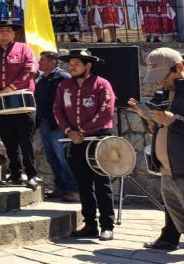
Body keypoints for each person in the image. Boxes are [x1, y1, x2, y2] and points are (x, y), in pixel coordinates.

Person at [53, 49, 116, 240]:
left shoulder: (102, 85)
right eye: (70, 64)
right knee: (83, 184)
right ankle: (90, 224)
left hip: (97, 139)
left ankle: (107, 225)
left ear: (88, 66)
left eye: (76, 64)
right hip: (74, 140)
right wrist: (69, 131)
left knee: (102, 183)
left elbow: (106, 111)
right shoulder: (64, 86)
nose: (71, 67)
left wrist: (83, 131)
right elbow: (58, 110)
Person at [127, 48, 184, 249]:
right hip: (168, 168)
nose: (160, 82)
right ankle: (169, 239)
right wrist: (147, 116)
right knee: (173, 211)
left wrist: (174, 121)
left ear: (179, 68)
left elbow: (174, 123)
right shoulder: (164, 93)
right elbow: (160, 127)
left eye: (163, 76)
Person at [0, 20, 39, 189]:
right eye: (1, 31)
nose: (4, 34)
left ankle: (31, 174)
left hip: (21, 99)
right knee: (8, 140)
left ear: (14, 34)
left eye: (7, 31)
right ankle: (15, 173)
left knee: (26, 140)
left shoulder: (24, 49)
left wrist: (11, 87)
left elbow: (30, 69)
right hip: (0, 101)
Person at [35, 51, 79, 202]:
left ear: (53, 62)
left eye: (42, 60)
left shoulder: (63, 77)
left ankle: (74, 189)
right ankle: (60, 187)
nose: (39, 63)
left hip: (58, 125)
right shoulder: (41, 79)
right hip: (44, 124)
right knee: (52, 158)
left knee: (63, 158)